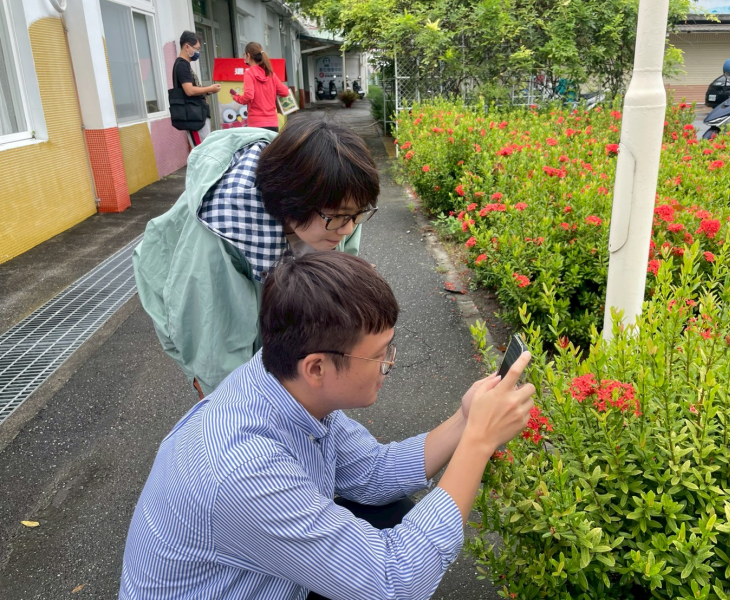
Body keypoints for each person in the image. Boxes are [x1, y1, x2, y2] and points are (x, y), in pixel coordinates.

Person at [120, 252, 536, 600]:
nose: (389, 363)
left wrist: (465, 419)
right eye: (380, 354)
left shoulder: (281, 381)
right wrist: (478, 442)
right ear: (316, 367)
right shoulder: (244, 469)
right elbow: (395, 583)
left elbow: (372, 472)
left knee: (391, 512)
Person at [133, 116, 380, 398]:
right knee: (237, 397)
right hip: (198, 306)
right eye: (338, 217)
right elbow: (216, 348)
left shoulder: (337, 204)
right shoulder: (226, 231)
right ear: (292, 202)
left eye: (357, 214)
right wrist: (228, 401)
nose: (348, 229)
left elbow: (335, 276)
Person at [173, 30, 221, 147]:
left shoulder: (184, 65)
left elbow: (191, 89)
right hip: (194, 118)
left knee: (205, 148)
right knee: (201, 150)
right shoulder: (182, 65)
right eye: (196, 49)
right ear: (187, 47)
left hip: (198, 116)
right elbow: (189, 91)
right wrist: (209, 88)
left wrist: (208, 90)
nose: (198, 52)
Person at [230, 42, 289, 132]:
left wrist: (236, 97)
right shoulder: (270, 73)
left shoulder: (249, 73)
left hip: (256, 124)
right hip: (273, 123)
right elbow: (285, 92)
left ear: (248, 55)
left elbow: (249, 96)